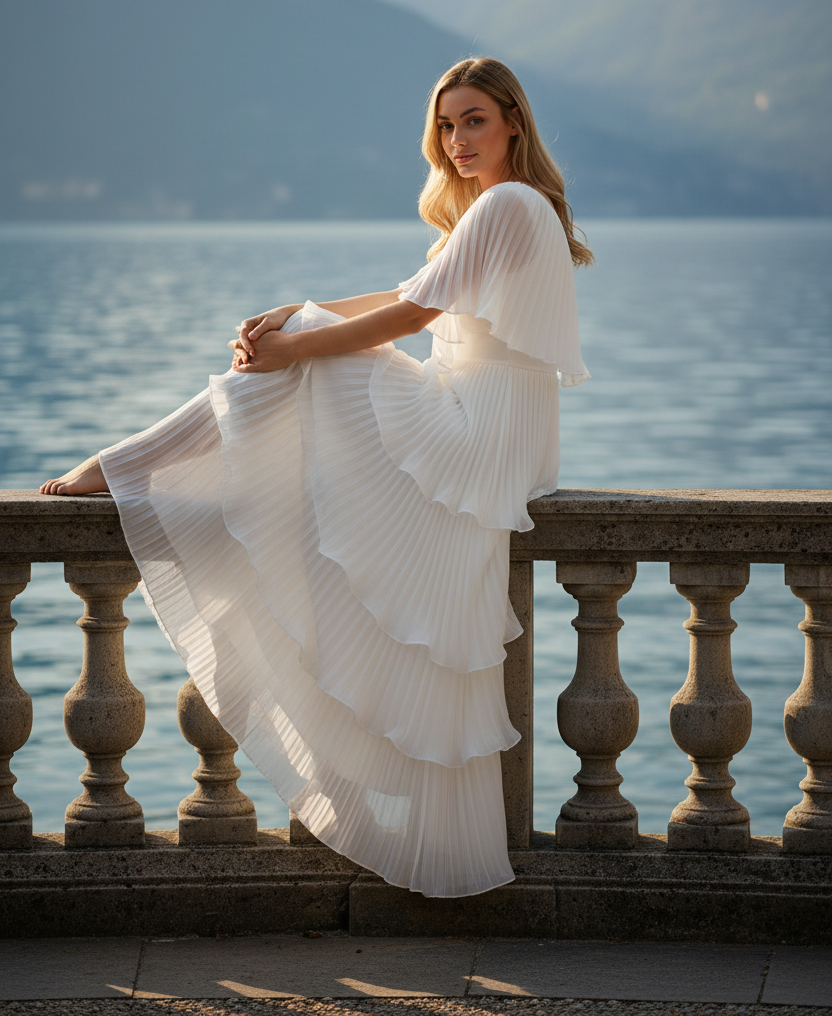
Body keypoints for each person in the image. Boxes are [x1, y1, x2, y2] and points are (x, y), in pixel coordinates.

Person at [40, 57, 592, 898]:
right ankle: (146, 461)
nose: (457, 140)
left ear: (513, 120)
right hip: (490, 431)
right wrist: (301, 312)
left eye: (474, 120)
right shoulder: (508, 206)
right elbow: (411, 289)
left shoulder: (509, 204)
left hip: (474, 432)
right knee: (299, 336)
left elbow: (412, 316)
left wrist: (294, 339)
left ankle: (130, 462)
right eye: (447, 125)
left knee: (300, 352)